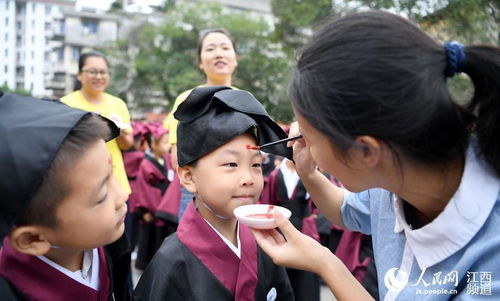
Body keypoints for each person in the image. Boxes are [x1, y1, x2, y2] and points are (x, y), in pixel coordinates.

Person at [251, 10, 500, 300]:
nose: (300, 142)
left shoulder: (492, 251)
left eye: (309, 135)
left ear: (365, 151)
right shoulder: (397, 170)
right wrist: (308, 172)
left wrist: (326, 264)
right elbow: (347, 210)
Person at [134, 86, 295, 301]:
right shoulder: (170, 261)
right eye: (231, 164)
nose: (248, 178)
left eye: (256, 164)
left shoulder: (266, 243)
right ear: (189, 177)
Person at [0, 92, 131, 300]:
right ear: (32, 238)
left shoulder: (107, 238)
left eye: (111, 174)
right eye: (101, 196)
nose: (122, 195)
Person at [163, 28, 238, 220]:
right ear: (200, 62)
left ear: (235, 58)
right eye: (211, 48)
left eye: (225, 47)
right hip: (197, 194)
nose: (219, 53)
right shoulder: (188, 99)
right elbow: (177, 158)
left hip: (239, 191)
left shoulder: (246, 100)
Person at [61, 51, 133, 196]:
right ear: (79, 75)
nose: (99, 77)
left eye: (103, 72)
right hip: (81, 182)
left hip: (115, 181)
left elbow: (127, 145)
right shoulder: (66, 104)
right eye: (92, 72)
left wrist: (119, 131)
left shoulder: (117, 104)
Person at [260, 158, 321, 301]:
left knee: (305, 272)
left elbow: (317, 200)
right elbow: (268, 201)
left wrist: (313, 216)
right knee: (281, 269)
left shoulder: (309, 172)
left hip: (304, 228)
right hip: (279, 228)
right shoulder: (276, 174)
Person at [134, 124, 174, 270]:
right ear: (154, 144)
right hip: (152, 209)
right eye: (164, 141)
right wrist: (146, 211)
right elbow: (144, 189)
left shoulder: (167, 159)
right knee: (151, 240)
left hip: (166, 205)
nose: (168, 144)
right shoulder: (145, 164)